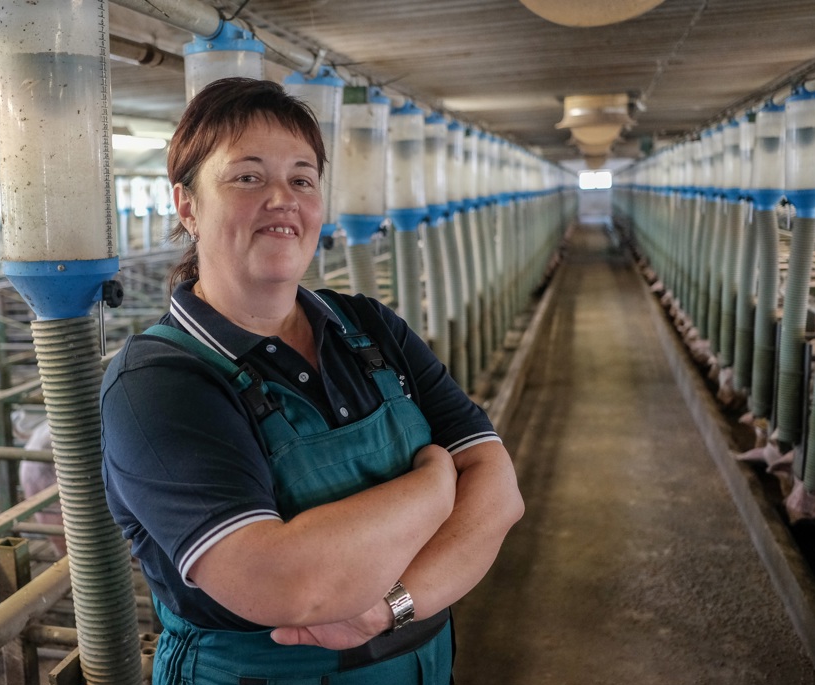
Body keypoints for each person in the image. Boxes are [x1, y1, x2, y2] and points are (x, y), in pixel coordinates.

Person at [101, 77, 523, 684]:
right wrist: (436, 487)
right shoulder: (159, 383)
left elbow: (500, 494)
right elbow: (286, 584)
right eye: (248, 177)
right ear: (188, 206)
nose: (283, 199)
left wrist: (390, 606)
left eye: (302, 179)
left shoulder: (370, 328)